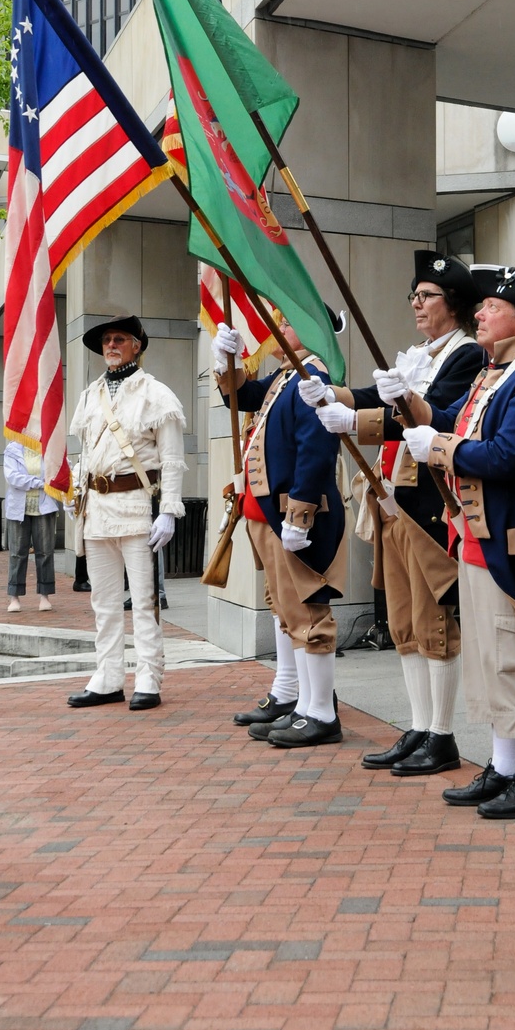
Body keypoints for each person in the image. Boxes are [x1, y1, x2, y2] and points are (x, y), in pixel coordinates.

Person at [391, 264, 515, 820]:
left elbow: (505, 456)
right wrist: (405, 403)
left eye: (492, 308)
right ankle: (504, 765)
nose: (480, 313)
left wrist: (438, 447)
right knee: (489, 662)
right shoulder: (496, 373)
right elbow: (448, 419)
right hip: (478, 536)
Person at [299, 252, 485, 776]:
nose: (416, 304)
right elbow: (370, 395)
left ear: (453, 304)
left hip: (429, 504)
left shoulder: (465, 356)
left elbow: (432, 414)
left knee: (434, 623)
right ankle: (419, 725)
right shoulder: (419, 354)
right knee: (402, 623)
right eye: (414, 295)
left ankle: (442, 734)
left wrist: (354, 418)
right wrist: (331, 396)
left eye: (427, 295)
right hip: (392, 501)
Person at [214, 308, 347, 749]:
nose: (277, 328)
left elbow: (316, 448)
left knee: (308, 612)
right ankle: (296, 698)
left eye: (287, 321)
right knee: (285, 608)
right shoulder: (285, 376)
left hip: (293, 513)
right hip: (266, 513)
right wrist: (226, 364)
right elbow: (244, 396)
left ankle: (319, 711)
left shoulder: (314, 375)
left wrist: (301, 513)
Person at [68, 316, 185, 711]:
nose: (111, 345)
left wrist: (168, 510)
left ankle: (149, 676)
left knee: (145, 600)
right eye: (106, 340)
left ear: (138, 346)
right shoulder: (89, 395)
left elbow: (171, 460)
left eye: (120, 339)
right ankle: (108, 676)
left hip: (137, 506)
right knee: (103, 600)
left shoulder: (156, 394)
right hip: (97, 509)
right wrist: (76, 493)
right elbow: (85, 453)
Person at [3, 442, 58, 612]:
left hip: (44, 506)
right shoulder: (12, 449)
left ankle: (45, 595)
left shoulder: (50, 447)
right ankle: (14, 596)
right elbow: (12, 477)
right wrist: (40, 483)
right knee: (17, 553)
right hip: (19, 508)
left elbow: (58, 472)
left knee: (45, 552)